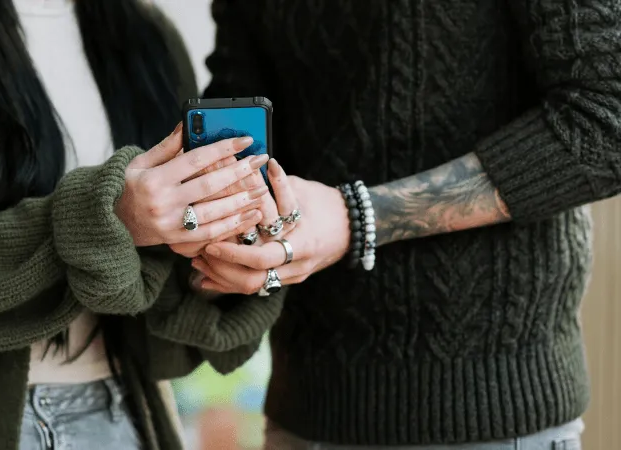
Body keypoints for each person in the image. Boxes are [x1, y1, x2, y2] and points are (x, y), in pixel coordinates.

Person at [0, 0, 286, 449]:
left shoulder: (149, 35)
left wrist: (214, 268)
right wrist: (111, 219)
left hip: (119, 414)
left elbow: (156, 315)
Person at [191, 0, 621, 448]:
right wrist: (218, 238)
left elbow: (607, 119)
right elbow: (239, 115)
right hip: (303, 408)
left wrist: (357, 216)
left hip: (490, 411)